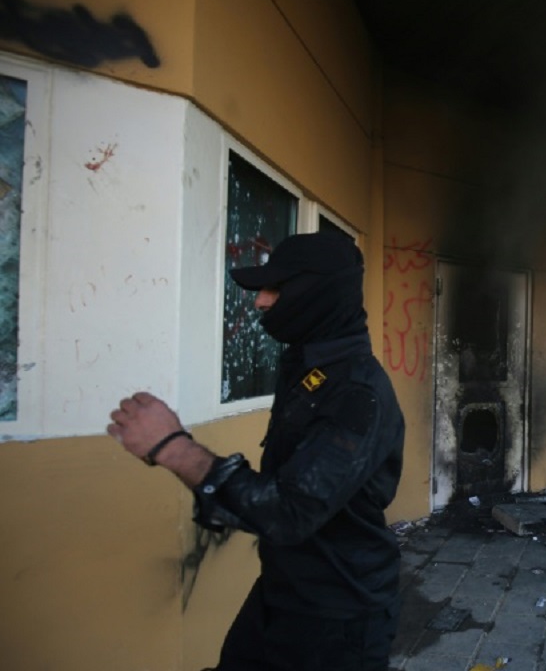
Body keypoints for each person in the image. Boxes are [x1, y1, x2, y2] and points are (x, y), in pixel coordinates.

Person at [107, 232, 405, 670]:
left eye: (275, 289)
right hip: (284, 591)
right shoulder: (309, 369)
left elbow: (290, 511)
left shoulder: (357, 393)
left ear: (318, 292)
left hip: (336, 616)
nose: (260, 303)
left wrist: (174, 448)